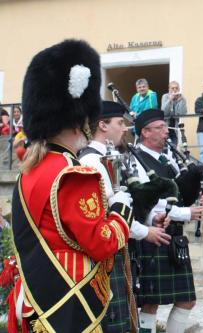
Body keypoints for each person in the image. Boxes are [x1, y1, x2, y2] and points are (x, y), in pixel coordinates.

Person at [10, 39, 134, 332]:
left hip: (36, 297)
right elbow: (101, 242)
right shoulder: (74, 173)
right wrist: (120, 210)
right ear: (80, 120)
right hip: (71, 302)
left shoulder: (29, 171)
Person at [79, 101, 172, 333]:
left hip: (120, 249)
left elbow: (128, 205)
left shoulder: (111, 156)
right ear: (102, 125)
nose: (124, 128)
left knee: (126, 321)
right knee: (113, 324)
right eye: (120, 123)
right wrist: (145, 232)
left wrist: (150, 220)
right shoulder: (91, 161)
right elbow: (111, 213)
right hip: (107, 253)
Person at [133, 109, 203, 333]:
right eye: (159, 127)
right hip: (153, 233)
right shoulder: (137, 160)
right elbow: (151, 203)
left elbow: (179, 195)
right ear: (145, 132)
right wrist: (188, 213)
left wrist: (201, 196)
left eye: (165, 126)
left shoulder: (169, 159)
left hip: (176, 236)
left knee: (187, 299)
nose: (166, 131)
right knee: (151, 302)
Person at [161, 80, 187, 146]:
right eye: (172, 88)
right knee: (165, 149)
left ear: (179, 89)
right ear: (169, 89)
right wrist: (170, 100)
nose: (174, 90)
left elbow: (182, 113)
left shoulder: (182, 98)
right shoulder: (165, 97)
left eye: (176, 88)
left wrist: (181, 100)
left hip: (175, 128)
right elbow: (163, 112)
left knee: (174, 148)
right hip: (165, 127)